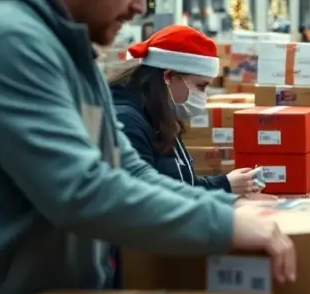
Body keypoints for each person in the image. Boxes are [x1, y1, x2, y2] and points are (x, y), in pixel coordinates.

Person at [0, 0, 295, 294]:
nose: (139, 6)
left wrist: (227, 207)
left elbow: (125, 167)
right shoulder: (10, 40)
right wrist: (222, 223)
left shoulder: (68, 47)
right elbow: (78, 190)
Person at [111, 25, 261, 194]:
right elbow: (147, 197)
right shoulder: (126, 123)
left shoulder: (159, 117)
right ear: (169, 77)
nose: (203, 96)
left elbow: (178, 183)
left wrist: (224, 184)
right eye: (200, 86)